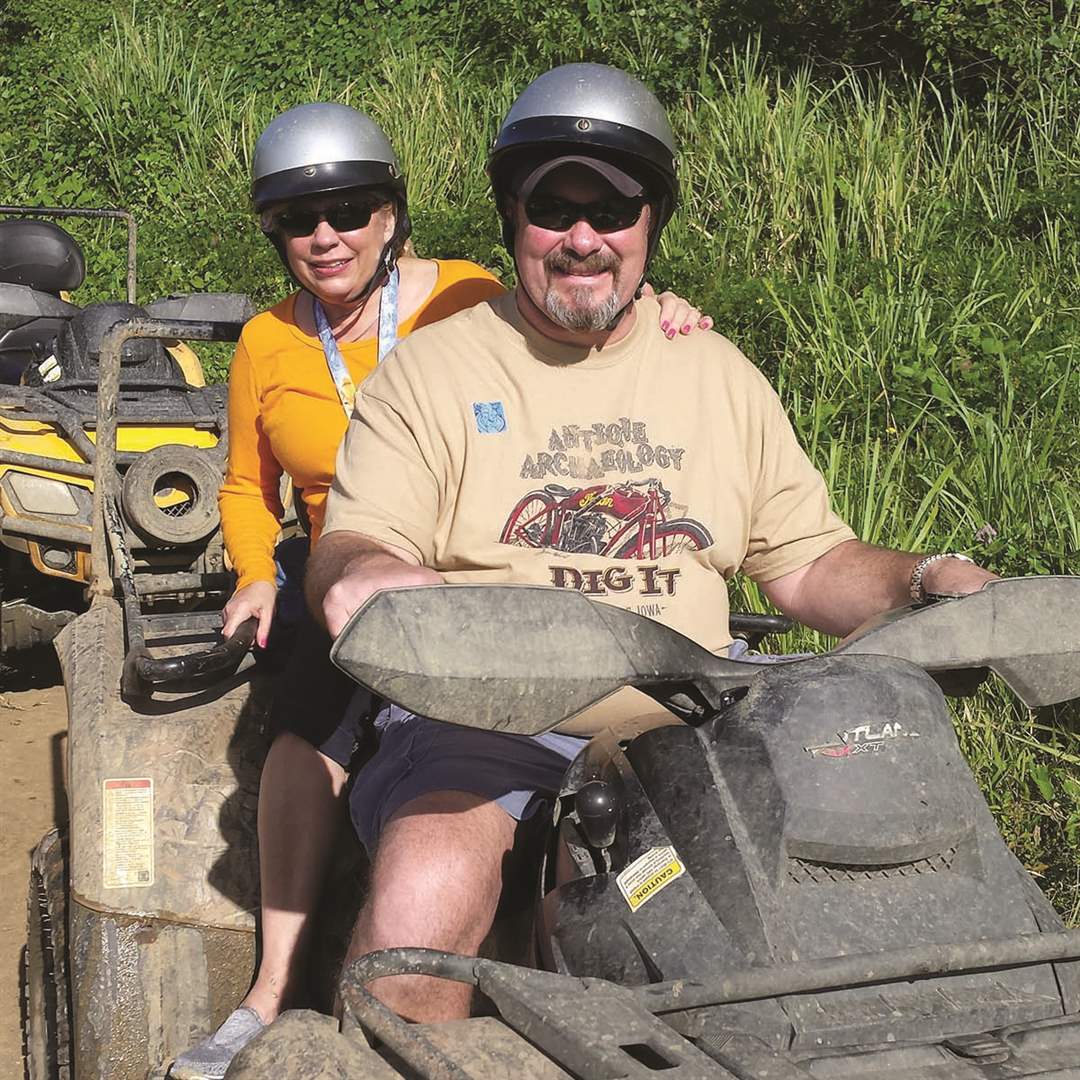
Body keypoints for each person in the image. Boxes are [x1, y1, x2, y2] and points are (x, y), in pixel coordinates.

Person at [306, 62, 998, 1024]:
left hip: (695, 718)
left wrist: (926, 582)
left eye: (615, 208)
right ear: (513, 215)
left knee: (863, 919)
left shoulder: (715, 372)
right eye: (556, 207)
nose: (584, 237)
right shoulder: (434, 370)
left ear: (651, 224)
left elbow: (807, 562)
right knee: (422, 908)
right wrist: (369, 576)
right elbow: (354, 544)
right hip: (484, 719)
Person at [170, 100, 709, 1080]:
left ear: (391, 215)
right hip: (348, 563)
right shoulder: (265, 344)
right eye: (298, 218)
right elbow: (249, 487)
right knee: (303, 723)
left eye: (348, 207)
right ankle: (272, 988)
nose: (325, 234)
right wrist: (255, 572)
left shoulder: (464, 295)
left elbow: (580, 330)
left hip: (481, 560)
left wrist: (668, 314)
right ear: (275, 235)